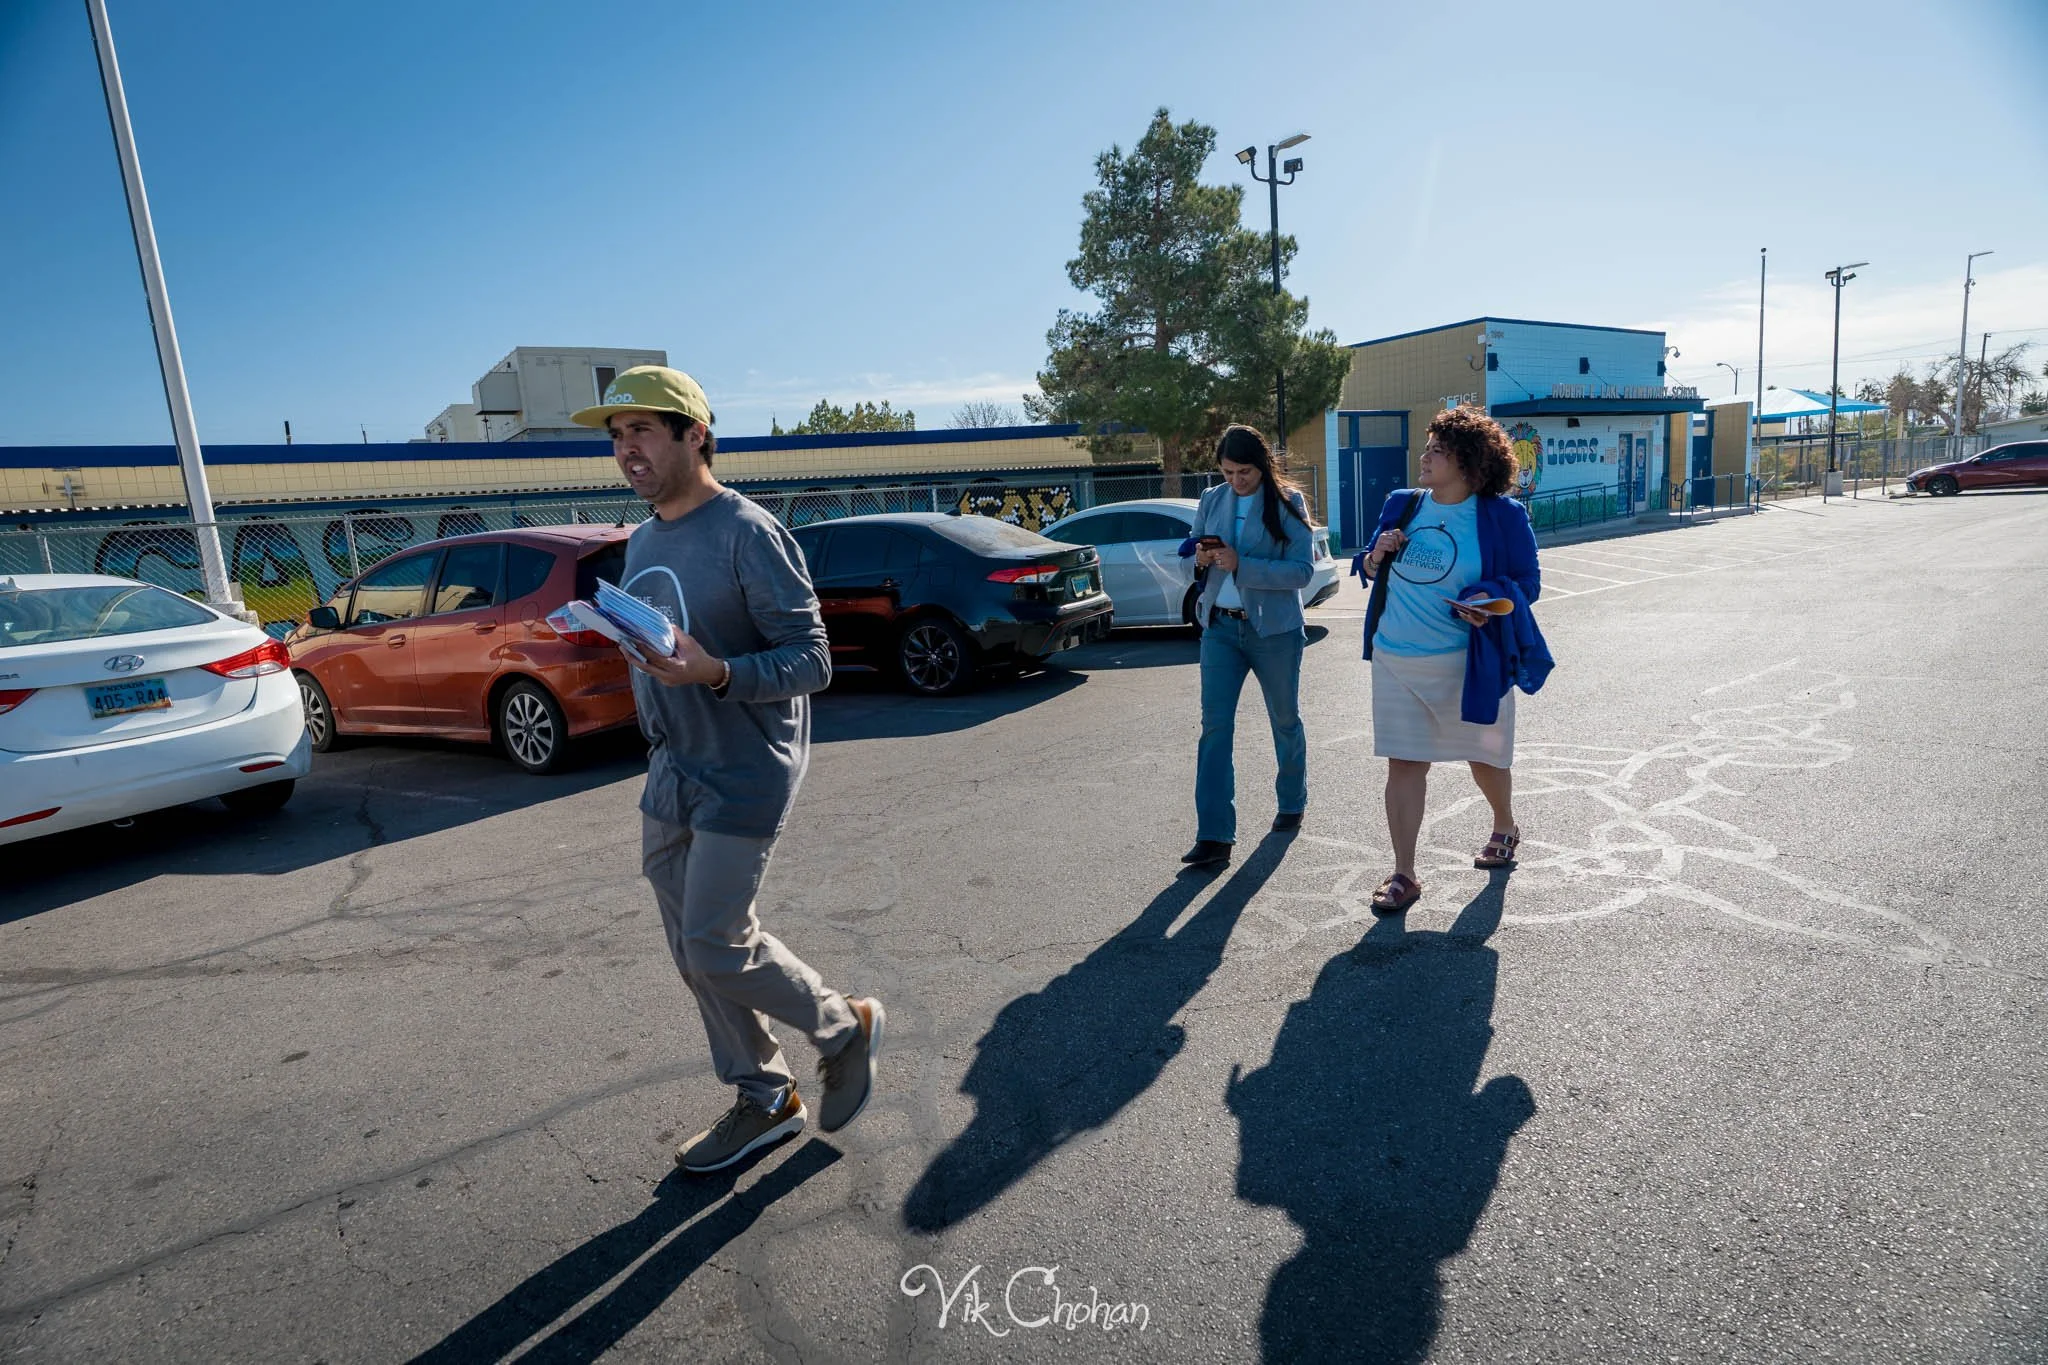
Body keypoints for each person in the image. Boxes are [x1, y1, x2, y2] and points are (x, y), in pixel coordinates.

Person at [569, 365, 883, 1174]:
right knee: (691, 949)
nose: (625, 449)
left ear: (693, 433)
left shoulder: (747, 530)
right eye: (615, 435)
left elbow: (812, 661)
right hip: (670, 766)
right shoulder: (641, 538)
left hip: (744, 765)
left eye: (641, 429)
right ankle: (764, 1095)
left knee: (715, 942)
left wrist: (715, 673)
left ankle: (843, 1024)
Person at [1356, 405, 1553, 914]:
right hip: (1398, 657)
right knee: (1404, 762)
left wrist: (1486, 602)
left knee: (1483, 757)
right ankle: (1404, 873)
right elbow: (1369, 569)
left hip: (1469, 662)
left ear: (1467, 463)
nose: (1424, 457)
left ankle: (1504, 823)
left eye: (1436, 451)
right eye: (1427, 447)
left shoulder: (1502, 516)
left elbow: (1527, 584)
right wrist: (1376, 555)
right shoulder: (1403, 504)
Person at [1180, 424, 1316, 867]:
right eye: (1227, 472)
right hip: (1219, 627)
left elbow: (1301, 573)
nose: (1236, 481)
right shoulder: (1211, 500)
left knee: (1284, 719)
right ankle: (1214, 835)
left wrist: (1243, 564)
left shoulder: (1288, 504)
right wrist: (1200, 560)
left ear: (1262, 466)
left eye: (1244, 472)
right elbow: (1193, 566)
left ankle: (1292, 800)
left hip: (1274, 631)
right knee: (1215, 728)